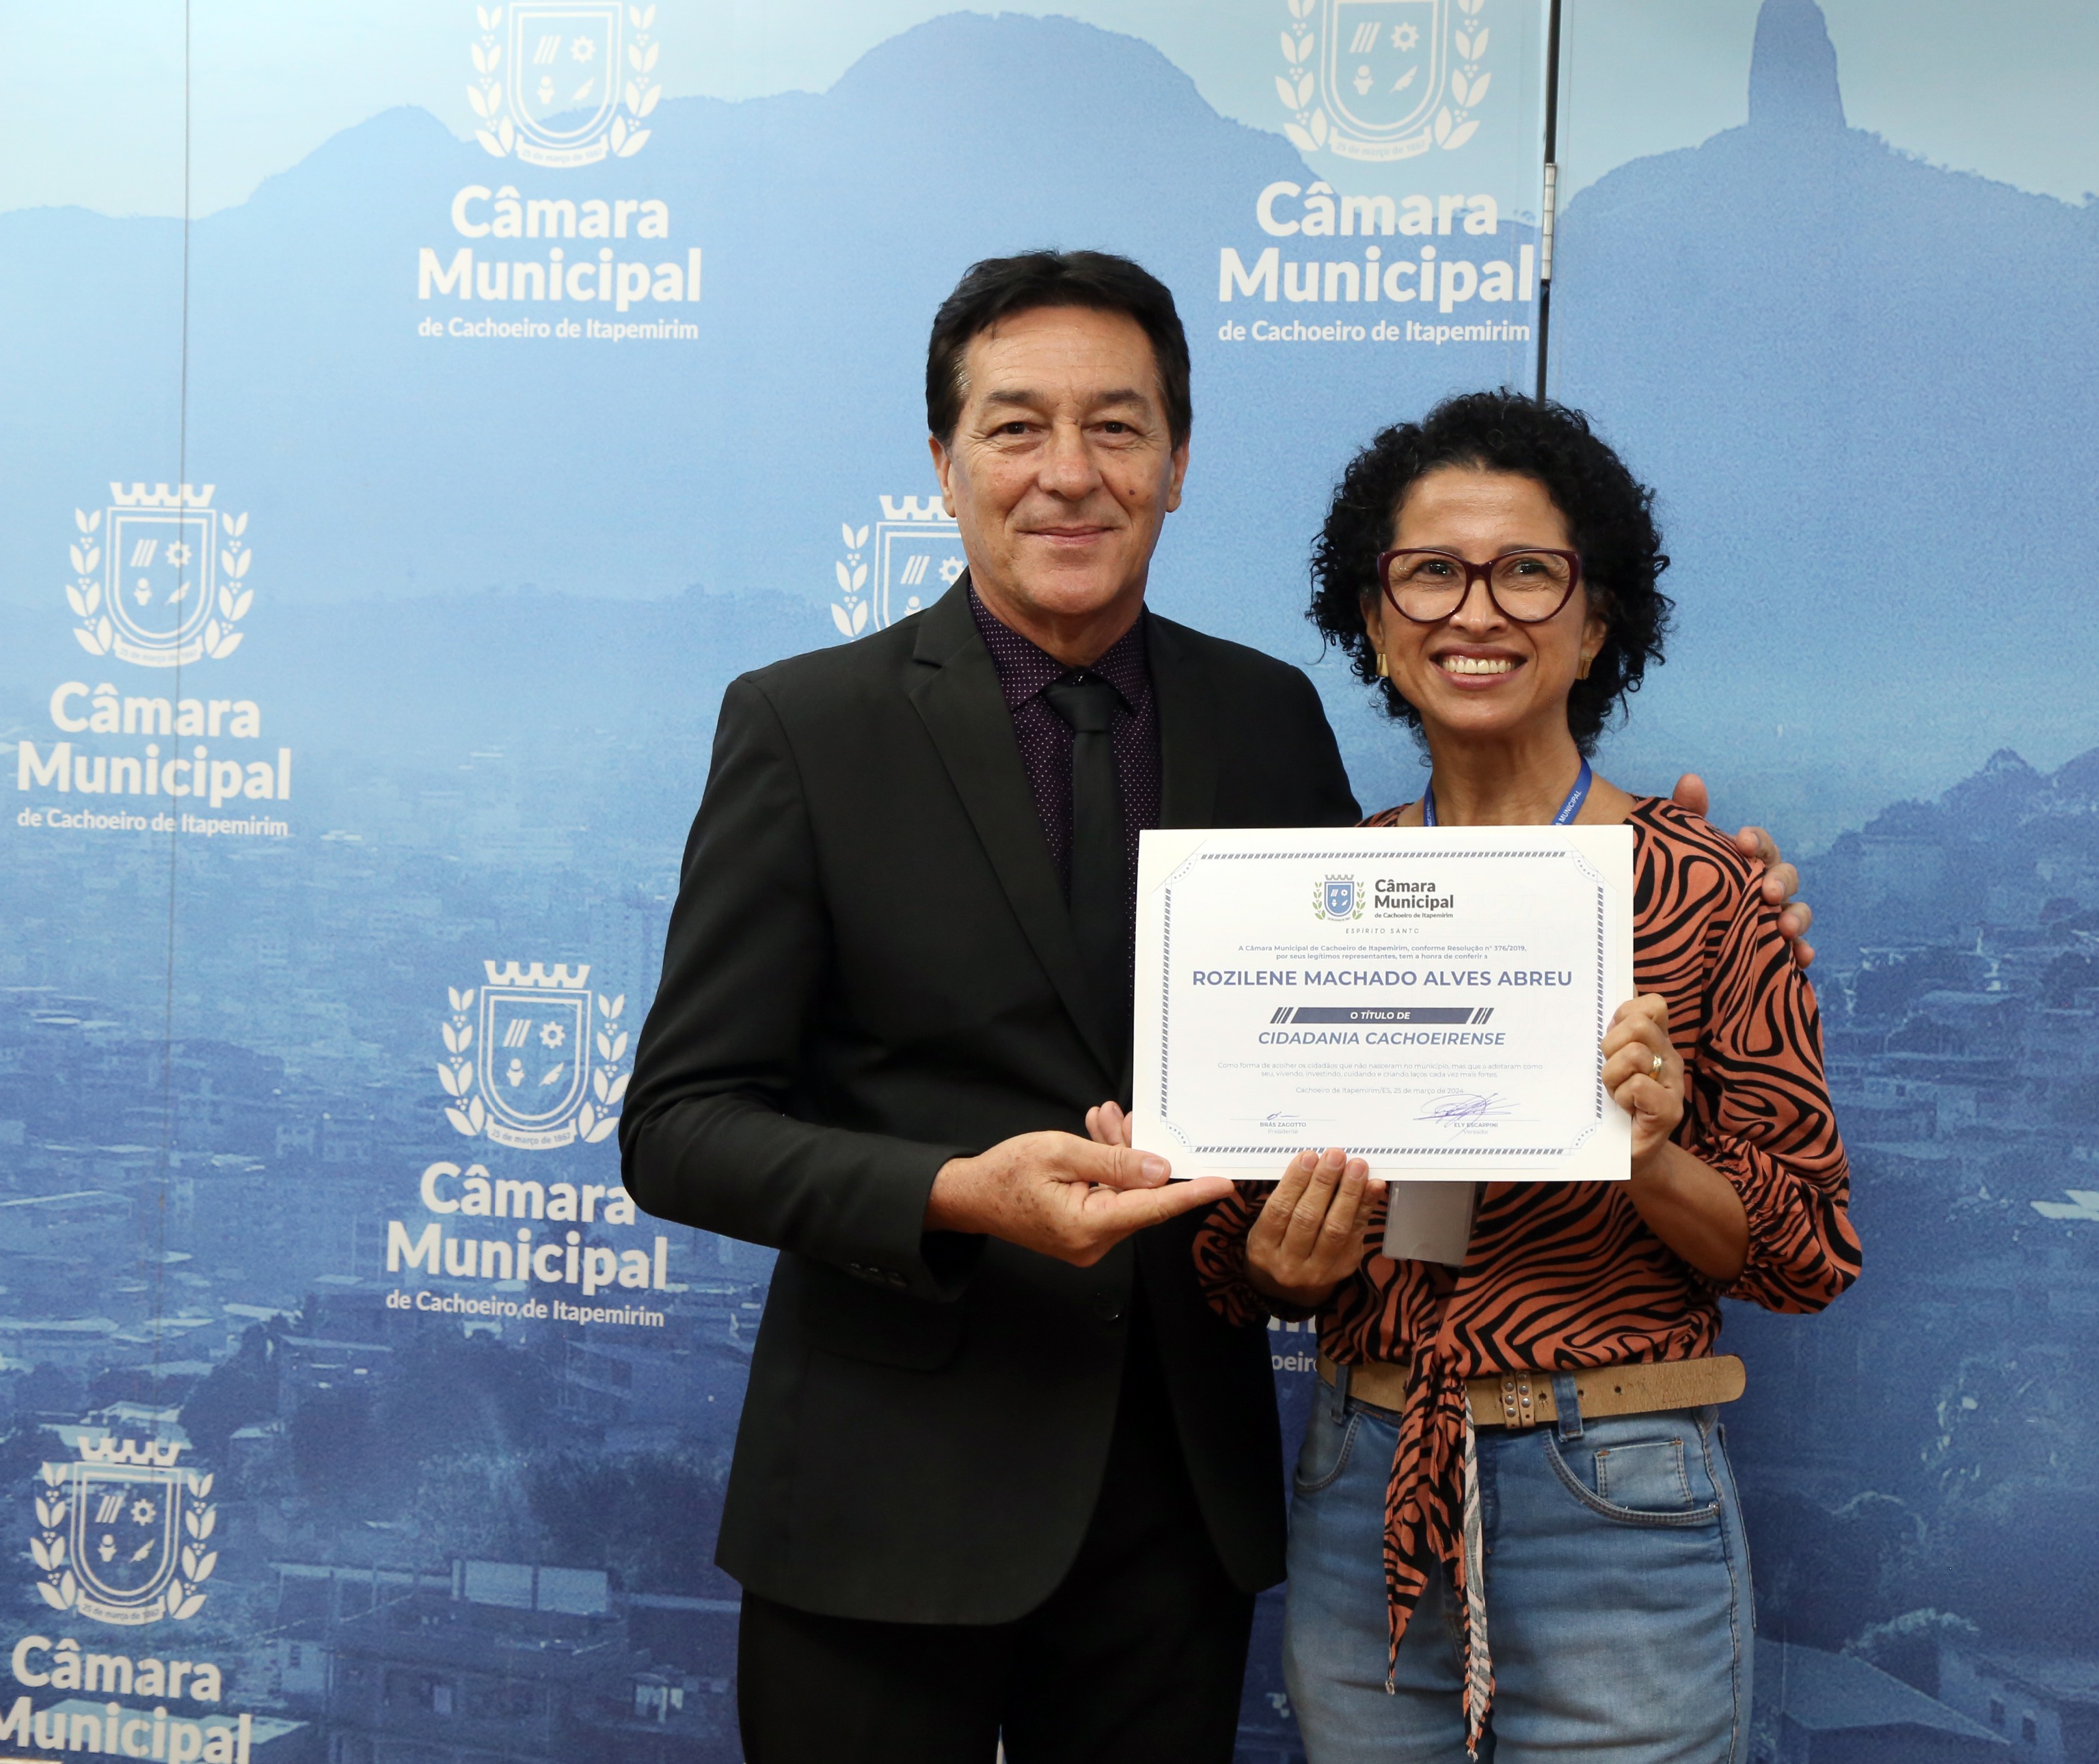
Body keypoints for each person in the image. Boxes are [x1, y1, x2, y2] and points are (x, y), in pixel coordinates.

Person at [619, 252, 1815, 1763]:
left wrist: (1692, 896)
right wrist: (957, 1194)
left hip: (1179, 1515)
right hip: (882, 1502)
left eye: (1116, 427)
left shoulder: (1264, 717)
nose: (1069, 471)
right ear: (943, 462)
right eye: (1016, 426)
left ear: (1177, 463)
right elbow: (680, 1126)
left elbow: (1379, 1045)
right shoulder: (804, 726)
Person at [1183, 390, 1862, 1762]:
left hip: (1620, 1494)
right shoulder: (1306, 894)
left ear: (1596, 621)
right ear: (1374, 620)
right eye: (1431, 571)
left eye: (1527, 572)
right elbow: (1228, 1257)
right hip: (1363, 1480)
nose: (1475, 611)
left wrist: (1651, 1151)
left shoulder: (1705, 891)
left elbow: (1806, 1253)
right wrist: (1281, 1261)